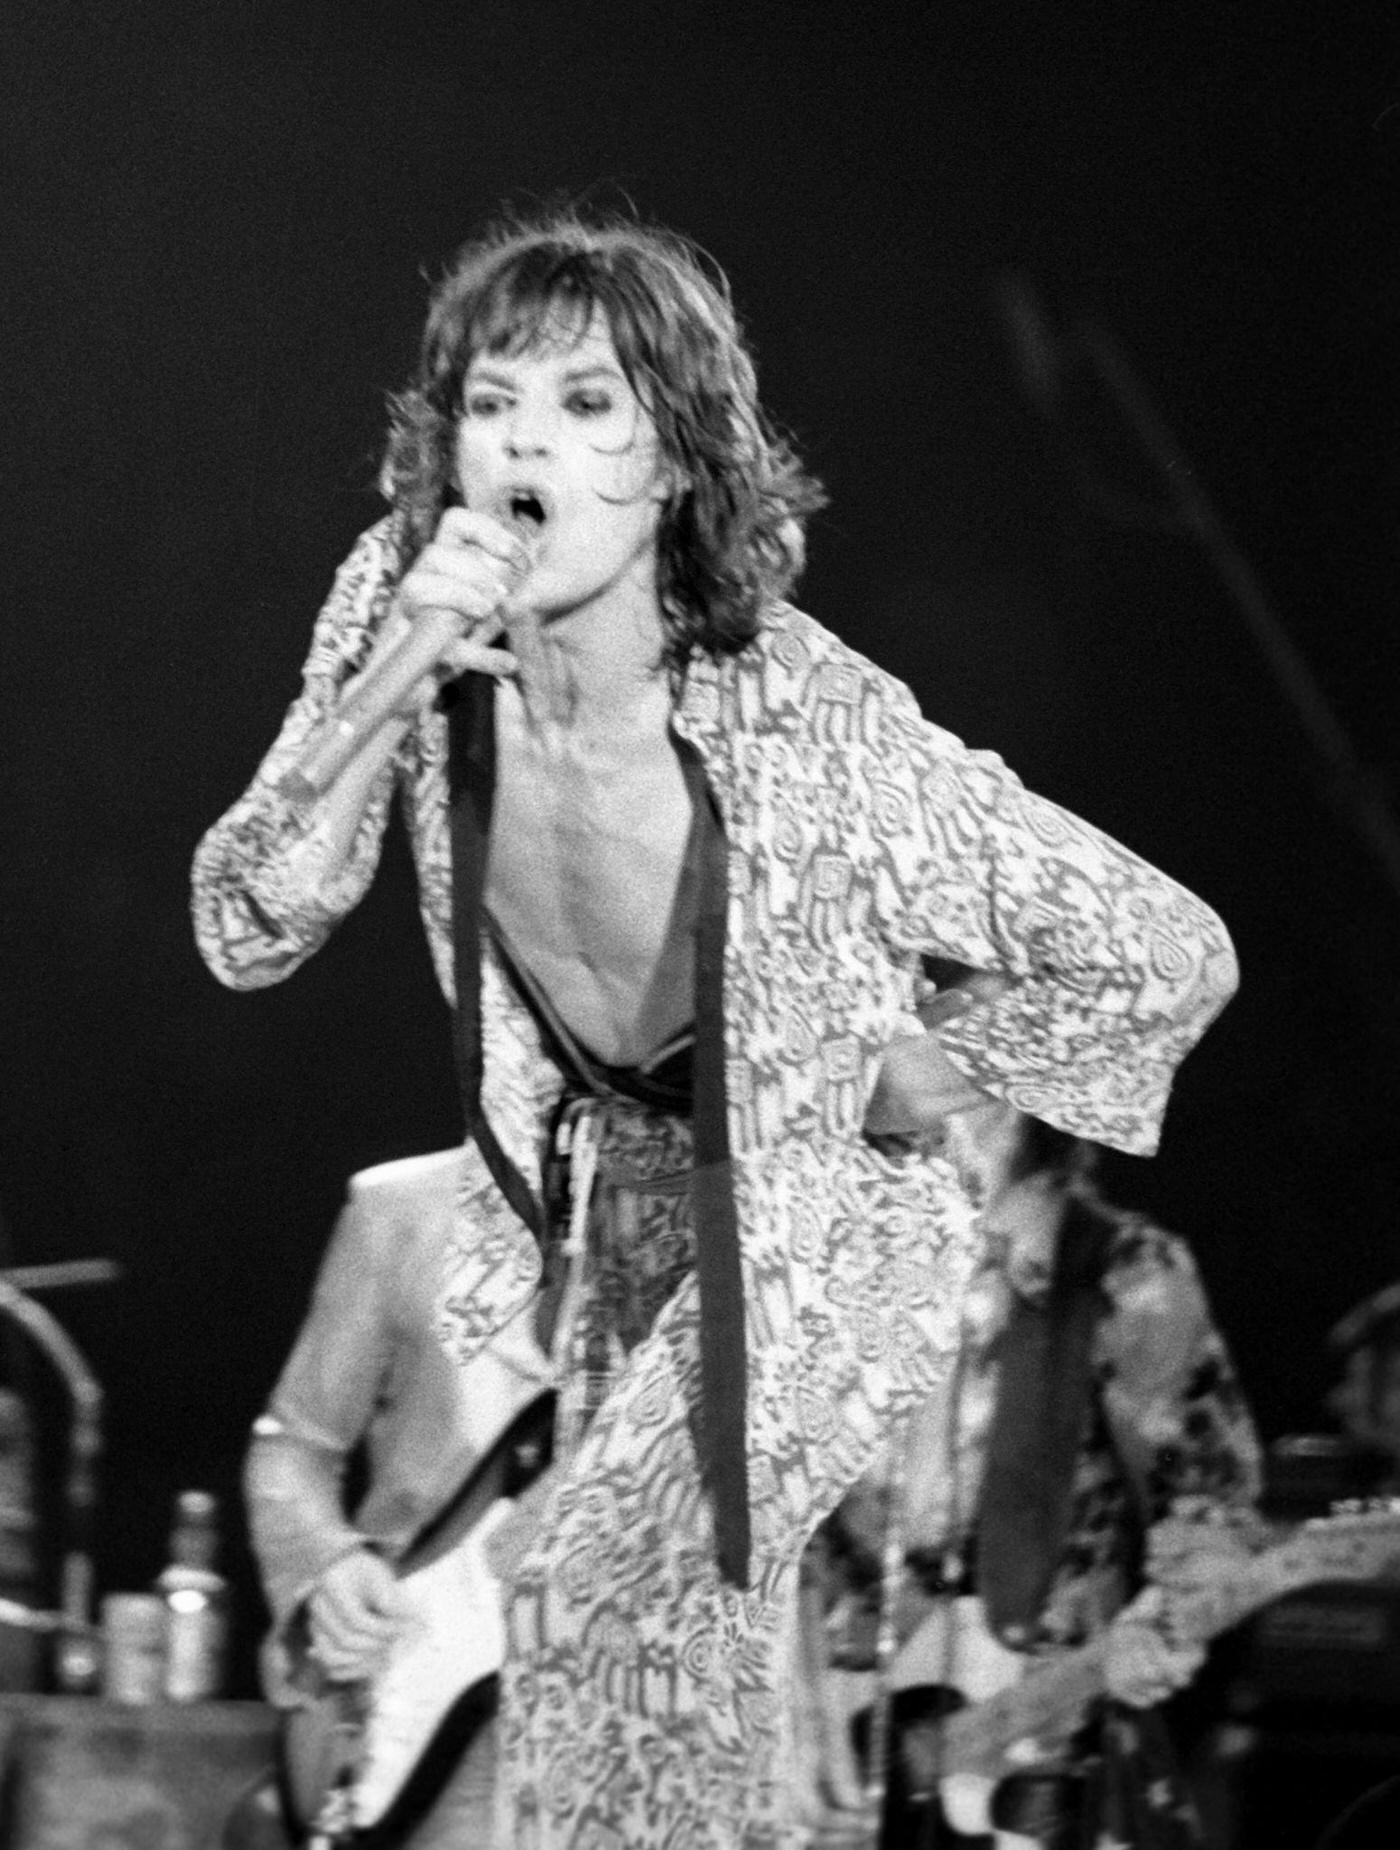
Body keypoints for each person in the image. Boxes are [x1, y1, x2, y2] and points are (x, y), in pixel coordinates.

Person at [191, 206, 1240, 1848]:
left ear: (676, 457)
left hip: (831, 1211)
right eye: (490, 400)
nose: (525, 438)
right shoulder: (399, 608)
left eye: (587, 403)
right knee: (646, 1698)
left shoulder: (814, 721)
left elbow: (1169, 952)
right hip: (638, 1188)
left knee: (609, 1580)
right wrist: (390, 680)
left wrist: (930, 1065)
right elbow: (248, 921)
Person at [801, 1026, 1264, 1849]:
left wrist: (1160, 1628)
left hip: (1024, 1747)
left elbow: (1212, 1507)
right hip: (832, 1727)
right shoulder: (838, 1256)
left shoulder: (1120, 1270)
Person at [241, 1148, 552, 1849]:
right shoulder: (403, 1206)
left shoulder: (722, 1217)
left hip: (628, 1691)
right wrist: (327, 1563)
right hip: (423, 1672)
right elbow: (296, 1444)